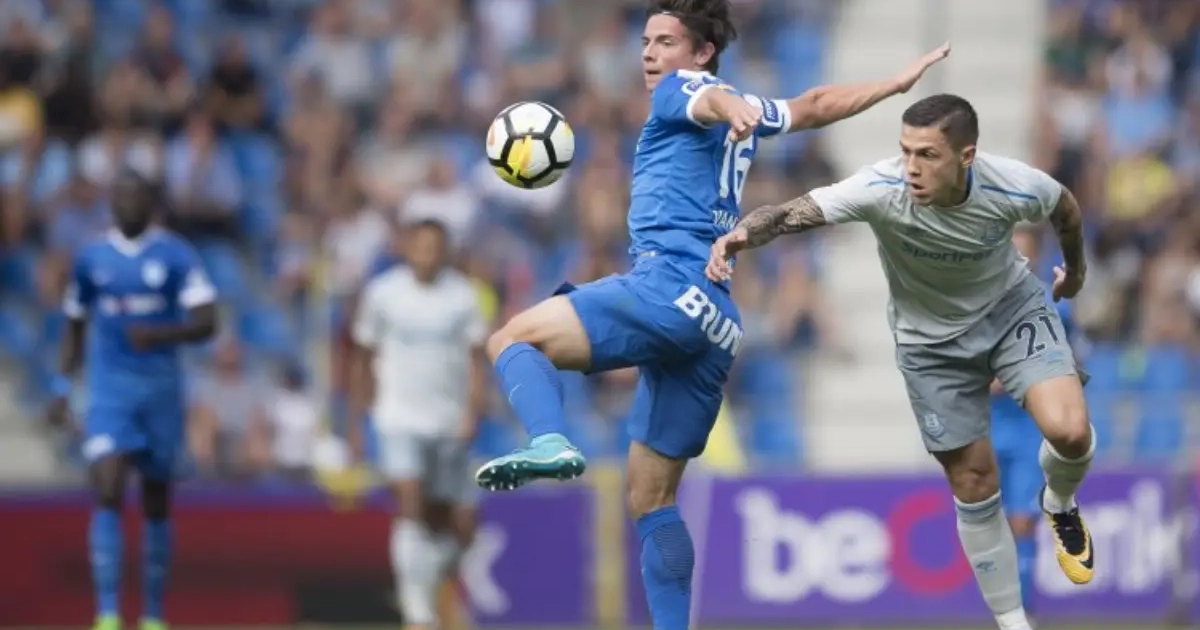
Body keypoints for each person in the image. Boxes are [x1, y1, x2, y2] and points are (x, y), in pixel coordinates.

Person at [473, 1, 950, 629]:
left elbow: (706, 98)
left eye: (666, 42)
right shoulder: (736, 101)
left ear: (702, 53)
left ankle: (548, 438)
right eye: (646, 42)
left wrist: (726, 104)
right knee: (651, 498)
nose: (650, 54)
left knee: (512, 339)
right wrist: (892, 85)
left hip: (667, 286)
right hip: (717, 317)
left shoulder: (683, 89)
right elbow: (813, 105)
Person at [707, 94, 1094, 630]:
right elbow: (794, 212)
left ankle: (1059, 501)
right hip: (930, 346)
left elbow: (1065, 208)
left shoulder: (1012, 184)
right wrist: (743, 234)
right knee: (974, 483)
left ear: (966, 156)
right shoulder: (881, 186)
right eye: (906, 150)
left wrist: (1075, 272)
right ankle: (1014, 624)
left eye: (928, 154)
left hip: (1010, 312)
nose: (911, 166)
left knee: (1070, 431)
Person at [49, 170, 219, 630]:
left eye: (136, 197)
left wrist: (161, 334)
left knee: (155, 499)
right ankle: (106, 613)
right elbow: (74, 324)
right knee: (106, 486)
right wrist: (62, 387)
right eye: (120, 197)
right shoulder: (92, 259)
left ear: (151, 204)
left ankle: (153, 615)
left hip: (160, 393)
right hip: (110, 392)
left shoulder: (176, 255)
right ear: (111, 204)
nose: (127, 205)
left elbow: (207, 321)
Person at [348, 219, 487, 630]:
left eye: (434, 247)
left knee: (452, 524)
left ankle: (429, 584)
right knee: (410, 503)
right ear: (407, 248)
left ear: (445, 251)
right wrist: (357, 419)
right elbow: (362, 357)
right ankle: (417, 614)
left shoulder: (463, 296)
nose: (427, 254)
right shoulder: (383, 294)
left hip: (448, 420)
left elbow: (476, 361)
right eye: (420, 246)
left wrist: (472, 411)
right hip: (398, 416)